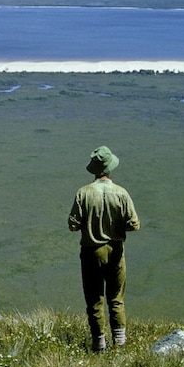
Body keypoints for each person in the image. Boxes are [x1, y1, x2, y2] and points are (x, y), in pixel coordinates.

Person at [68, 146, 141, 352]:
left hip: (91, 252)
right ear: (110, 168)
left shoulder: (83, 193)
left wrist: (89, 224)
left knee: (94, 300)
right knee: (116, 299)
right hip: (115, 250)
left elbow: (73, 225)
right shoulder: (121, 193)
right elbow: (134, 224)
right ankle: (120, 344)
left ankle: (98, 344)